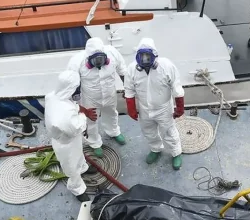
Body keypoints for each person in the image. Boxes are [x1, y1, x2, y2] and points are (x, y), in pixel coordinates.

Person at [124, 38, 185, 170]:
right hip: (144, 109)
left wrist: (179, 107)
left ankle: (176, 153)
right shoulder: (131, 69)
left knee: (169, 131)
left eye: (148, 56)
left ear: (154, 55)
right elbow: (129, 90)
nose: (145, 59)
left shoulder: (166, 66)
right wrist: (131, 108)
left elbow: (176, 87)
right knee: (148, 131)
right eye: (142, 56)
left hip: (164, 109)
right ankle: (155, 149)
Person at [67, 37, 127, 158]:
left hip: (110, 94)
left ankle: (113, 131)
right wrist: (76, 101)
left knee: (111, 113)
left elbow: (123, 71)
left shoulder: (113, 52)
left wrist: (127, 88)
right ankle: (94, 142)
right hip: (90, 97)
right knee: (91, 119)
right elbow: (71, 81)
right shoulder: (76, 61)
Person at [44, 70, 96, 202]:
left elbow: (74, 107)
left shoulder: (52, 96)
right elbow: (76, 128)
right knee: (71, 168)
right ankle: (77, 189)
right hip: (65, 144)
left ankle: (83, 168)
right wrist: (85, 117)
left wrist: (83, 111)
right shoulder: (64, 114)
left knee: (79, 155)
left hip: (70, 139)